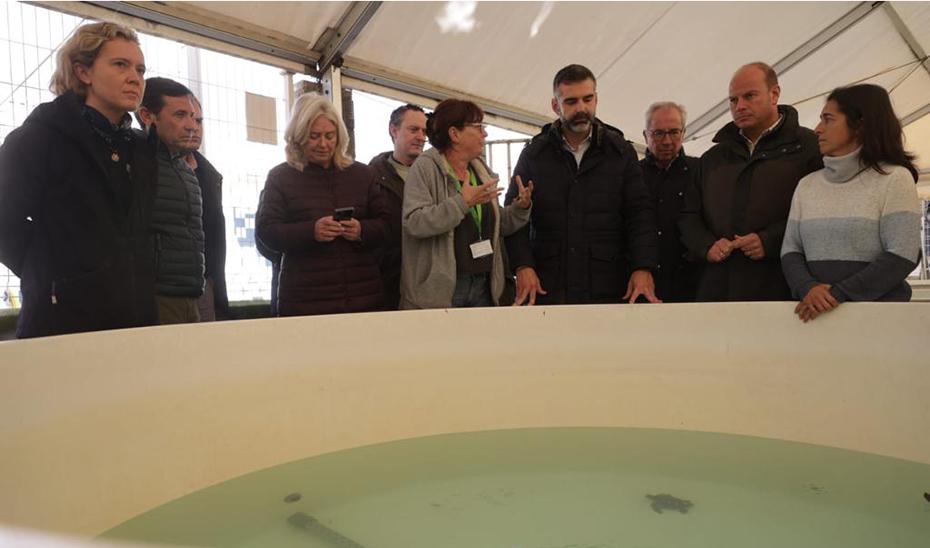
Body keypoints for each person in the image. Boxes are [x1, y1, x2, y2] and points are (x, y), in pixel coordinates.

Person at [0, 22, 158, 338]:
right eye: (120, 64)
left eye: (140, 70)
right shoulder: (38, 138)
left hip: (135, 319)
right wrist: (51, 272)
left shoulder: (141, 147)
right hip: (60, 320)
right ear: (83, 73)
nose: (135, 78)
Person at [505, 64, 658, 305]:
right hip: (548, 286)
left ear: (596, 99)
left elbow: (640, 214)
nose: (581, 108)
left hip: (610, 284)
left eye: (588, 99)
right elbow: (513, 220)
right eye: (571, 101)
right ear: (556, 106)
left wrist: (643, 267)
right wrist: (522, 266)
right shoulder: (534, 155)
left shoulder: (620, 152)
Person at [679, 62, 823, 302]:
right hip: (717, 290)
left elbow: (819, 214)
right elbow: (689, 215)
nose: (740, 106)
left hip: (782, 289)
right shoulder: (712, 158)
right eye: (733, 100)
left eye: (749, 96)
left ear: (774, 94)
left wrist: (770, 240)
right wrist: (706, 246)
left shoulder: (809, 149)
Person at [781, 84, 921, 322]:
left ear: (860, 125)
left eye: (828, 119)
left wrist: (838, 294)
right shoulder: (807, 185)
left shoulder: (895, 179)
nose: (817, 129)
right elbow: (790, 250)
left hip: (879, 322)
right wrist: (807, 288)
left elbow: (902, 254)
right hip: (814, 320)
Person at [255, 93, 390, 316]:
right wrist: (311, 231)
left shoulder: (363, 174)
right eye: (314, 136)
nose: (323, 144)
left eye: (330, 135)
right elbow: (266, 232)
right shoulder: (280, 177)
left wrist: (361, 230)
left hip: (363, 298)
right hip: (305, 302)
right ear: (298, 137)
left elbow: (388, 225)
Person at [400, 98, 532, 309]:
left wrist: (520, 208)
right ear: (454, 134)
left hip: (484, 285)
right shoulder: (425, 168)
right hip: (445, 291)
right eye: (479, 127)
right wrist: (461, 203)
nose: (485, 134)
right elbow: (414, 222)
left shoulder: (479, 169)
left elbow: (498, 225)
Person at [137, 77, 205, 324]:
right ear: (147, 116)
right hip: (154, 296)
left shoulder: (185, 170)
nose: (191, 126)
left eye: (195, 118)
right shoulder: (135, 160)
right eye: (180, 115)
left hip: (190, 292)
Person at [639, 102, 701, 302]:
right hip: (642, 284)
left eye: (674, 132)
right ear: (645, 135)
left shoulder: (700, 171)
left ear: (683, 133)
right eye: (658, 133)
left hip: (691, 284)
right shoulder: (631, 175)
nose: (667, 141)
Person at [369, 104, 428, 309]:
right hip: (388, 283)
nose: (421, 137)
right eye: (414, 130)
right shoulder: (371, 178)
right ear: (393, 130)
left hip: (427, 281)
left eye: (424, 131)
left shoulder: (437, 176)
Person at [182, 96, 229, 321]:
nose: (194, 127)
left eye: (199, 121)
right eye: (183, 117)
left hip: (207, 281)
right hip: (172, 285)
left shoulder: (210, 174)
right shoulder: (154, 168)